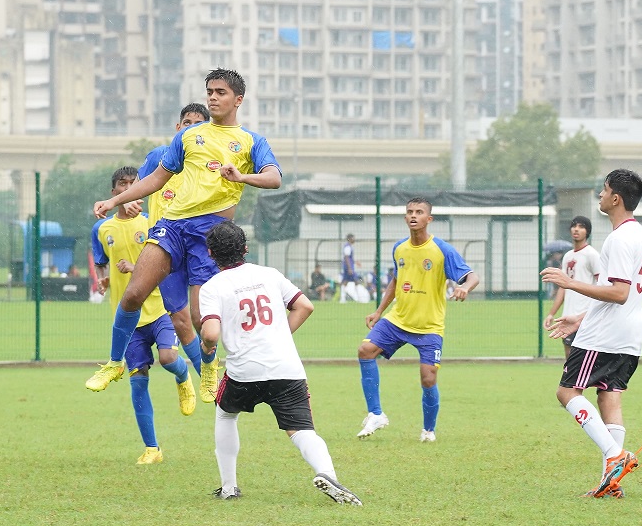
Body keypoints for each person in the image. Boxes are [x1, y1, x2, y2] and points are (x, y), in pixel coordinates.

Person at [87, 69, 282, 405]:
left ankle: (209, 366)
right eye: (210, 91)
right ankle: (115, 363)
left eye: (220, 92)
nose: (213, 97)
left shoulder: (251, 141)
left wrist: (242, 176)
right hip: (173, 226)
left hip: (210, 233)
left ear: (238, 99)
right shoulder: (189, 137)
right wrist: (115, 201)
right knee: (132, 295)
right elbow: (157, 179)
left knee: (200, 320)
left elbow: (274, 178)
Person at [198, 221, 361, 505]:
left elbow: (211, 334)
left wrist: (207, 346)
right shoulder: (269, 274)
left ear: (210, 253)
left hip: (244, 372)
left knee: (226, 414)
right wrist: (278, 335)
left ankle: (229, 487)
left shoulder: (212, 287)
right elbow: (305, 306)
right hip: (286, 367)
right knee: (302, 430)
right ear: (245, 249)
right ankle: (328, 473)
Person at [540, 169, 642, 499]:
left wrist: (570, 283)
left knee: (566, 392)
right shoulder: (640, 234)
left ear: (616, 198)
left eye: (603, 190)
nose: (599, 196)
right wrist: (580, 318)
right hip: (629, 334)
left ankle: (616, 455)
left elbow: (619, 293)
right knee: (608, 397)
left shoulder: (619, 238)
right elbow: (623, 292)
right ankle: (611, 481)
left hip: (605, 335)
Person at [89, 166, 196, 465]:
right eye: (122, 184)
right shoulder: (102, 229)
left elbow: (168, 264)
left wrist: (135, 269)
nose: (127, 189)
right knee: (139, 380)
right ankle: (152, 449)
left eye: (133, 184)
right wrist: (104, 279)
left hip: (159, 308)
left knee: (168, 358)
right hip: (128, 320)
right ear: (114, 192)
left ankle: (183, 376)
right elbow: (101, 260)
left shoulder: (153, 223)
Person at [356, 197, 479, 442]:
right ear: (405, 217)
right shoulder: (399, 248)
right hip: (398, 320)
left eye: (419, 212)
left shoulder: (442, 250)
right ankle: (376, 414)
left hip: (429, 326)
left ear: (429, 219)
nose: (414, 215)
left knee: (428, 378)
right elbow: (396, 280)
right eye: (410, 211)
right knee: (365, 350)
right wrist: (379, 311)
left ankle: (428, 431)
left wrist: (465, 288)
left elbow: (472, 276)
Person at [137, 102, 211, 378]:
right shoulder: (160, 156)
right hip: (166, 247)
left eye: (198, 124)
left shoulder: (209, 162)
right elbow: (140, 187)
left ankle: (217, 374)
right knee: (180, 320)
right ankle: (206, 377)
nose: (191, 128)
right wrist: (130, 201)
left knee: (203, 316)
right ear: (178, 127)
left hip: (198, 245)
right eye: (187, 123)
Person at [543, 216, 602, 359]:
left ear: (587, 232)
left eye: (581, 226)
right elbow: (563, 287)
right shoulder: (568, 256)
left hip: (585, 317)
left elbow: (602, 285)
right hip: (568, 316)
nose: (576, 229)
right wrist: (551, 313)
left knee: (584, 360)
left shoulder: (592, 255)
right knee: (569, 358)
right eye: (574, 226)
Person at [339, 233, 360, 303]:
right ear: (349, 239)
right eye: (353, 238)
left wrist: (355, 262)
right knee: (356, 281)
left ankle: (343, 298)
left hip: (348, 267)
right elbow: (347, 258)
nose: (354, 239)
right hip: (349, 268)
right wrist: (350, 268)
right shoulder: (347, 247)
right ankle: (358, 298)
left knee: (345, 281)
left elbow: (350, 258)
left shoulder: (349, 246)